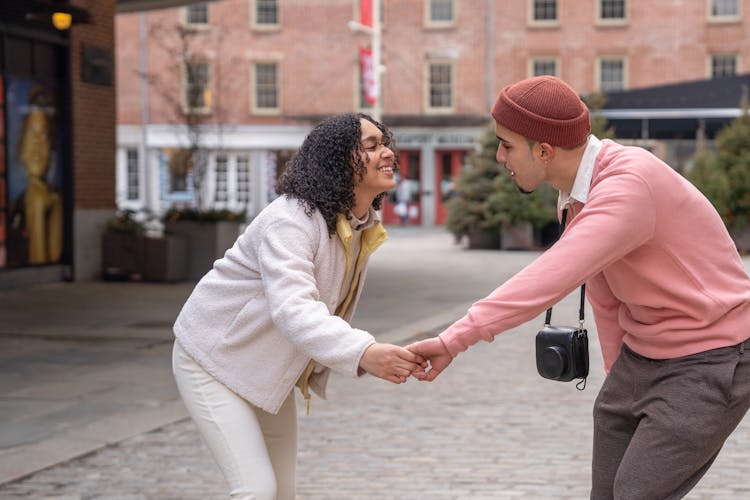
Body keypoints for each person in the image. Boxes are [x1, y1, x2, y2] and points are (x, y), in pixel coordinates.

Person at [407, 76, 750, 499]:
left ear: (544, 150)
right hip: (641, 360)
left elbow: (551, 276)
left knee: (634, 493)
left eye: (506, 144)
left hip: (711, 357)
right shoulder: (578, 191)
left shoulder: (627, 186)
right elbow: (604, 296)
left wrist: (453, 339)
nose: (499, 156)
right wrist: (617, 379)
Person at [172, 112, 425, 500]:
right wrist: (364, 352)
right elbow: (294, 309)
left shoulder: (357, 223)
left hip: (265, 369)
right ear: (338, 161)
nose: (387, 153)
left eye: (385, 143)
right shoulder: (291, 221)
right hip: (211, 361)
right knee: (256, 490)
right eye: (372, 146)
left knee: (281, 493)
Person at [18, 103, 63, 264]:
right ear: (21, 147)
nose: (37, 142)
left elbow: (53, 258)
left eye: (43, 135)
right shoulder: (15, 208)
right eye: (32, 133)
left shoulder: (56, 201)